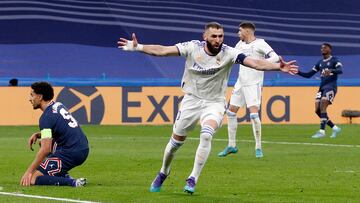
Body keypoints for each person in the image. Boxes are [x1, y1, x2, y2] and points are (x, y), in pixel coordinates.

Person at [117, 22, 298, 194]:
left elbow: (256, 63)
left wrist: (277, 67)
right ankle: (164, 172)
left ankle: (193, 178)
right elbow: (163, 50)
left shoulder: (229, 53)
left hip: (215, 103)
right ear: (205, 36)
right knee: (174, 145)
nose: (218, 39)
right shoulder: (192, 47)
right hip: (191, 101)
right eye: (214, 36)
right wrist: (139, 47)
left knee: (206, 133)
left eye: (220, 36)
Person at [218, 22, 279, 158]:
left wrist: (262, 64)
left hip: (254, 83)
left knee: (253, 115)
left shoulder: (260, 43)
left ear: (247, 31)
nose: (238, 33)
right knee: (231, 112)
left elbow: (275, 57)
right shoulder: (239, 45)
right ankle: (232, 145)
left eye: (240, 31)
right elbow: (231, 57)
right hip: (241, 82)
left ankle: (258, 147)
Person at [20, 81, 89, 187]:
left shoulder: (46, 117)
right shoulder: (58, 105)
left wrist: (29, 171)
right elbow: (62, 127)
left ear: (40, 97)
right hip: (83, 146)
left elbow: (45, 149)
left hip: (71, 152)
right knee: (41, 142)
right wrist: (39, 134)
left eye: (32, 95)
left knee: (34, 178)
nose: (30, 99)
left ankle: (73, 182)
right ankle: (62, 174)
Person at [297, 43, 342, 138]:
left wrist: (331, 71)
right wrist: (297, 72)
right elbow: (309, 75)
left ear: (330, 49)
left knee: (322, 106)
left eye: (325, 47)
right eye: (321, 48)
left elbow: (340, 70)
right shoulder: (320, 63)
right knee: (317, 110)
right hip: (322, 88)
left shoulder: (335, 60)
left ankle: (322, 132)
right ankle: (334, 128)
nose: (323, 49)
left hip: (331, 87)